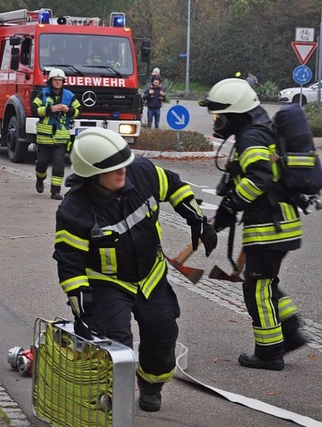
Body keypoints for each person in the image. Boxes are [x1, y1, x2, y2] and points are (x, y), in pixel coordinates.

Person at [53, 128, 217, 412]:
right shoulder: (74, 210)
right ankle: (109, 397)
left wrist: (195, 218)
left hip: (151, 276)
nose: (122, 172)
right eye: (114, 168)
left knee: (162, 332)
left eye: (124, 163)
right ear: (92, 173)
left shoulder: (141, 173)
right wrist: (81, 301)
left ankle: (152, 385)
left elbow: (174, 186)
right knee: (115, 342)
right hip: (107, 283)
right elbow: (70, 263)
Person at [199, 78, 309, 371]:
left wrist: (232, 204)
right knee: (266, 282)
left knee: (256, 288)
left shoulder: (252, 137)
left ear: (235, 113)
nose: (216, 120)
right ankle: (291, 331)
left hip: (269, 227)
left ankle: (269, 352)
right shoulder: (259, 130)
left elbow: (258, 178)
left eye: (218, 115)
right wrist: (222, 216)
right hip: (281, 224)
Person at [31, 68, 81, 200]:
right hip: (44, 137)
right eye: (55, 80)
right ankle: (40, 179)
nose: (58, 82)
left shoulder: (69, 96)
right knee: (41, 163)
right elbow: (34, 110)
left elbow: (78, 111)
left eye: (60, 80)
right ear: (51, 81)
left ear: (63, 82)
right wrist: (50, 109)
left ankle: (55, 191)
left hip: (61, 138)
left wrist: (68, 110)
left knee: (59, 165)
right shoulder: (43, 94)